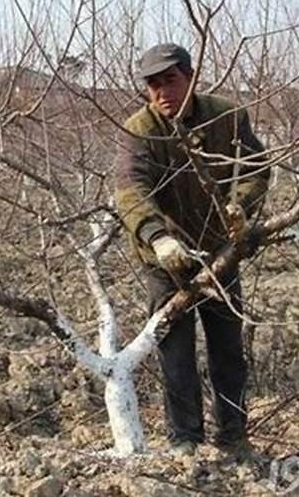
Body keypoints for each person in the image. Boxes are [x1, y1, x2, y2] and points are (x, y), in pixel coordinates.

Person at [113, 43, 270, 455]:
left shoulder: (227, 116)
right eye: (153, 85)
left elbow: (255, 167)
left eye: (171, 81)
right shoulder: (139, 130)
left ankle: (233, 435)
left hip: (219, 252)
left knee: (227, 351)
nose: (162, 93)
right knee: (175, 354)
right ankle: (185, 440)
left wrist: (241, 206)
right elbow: (131, 189)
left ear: (191, 76)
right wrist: (158, 236)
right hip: (164, 261)